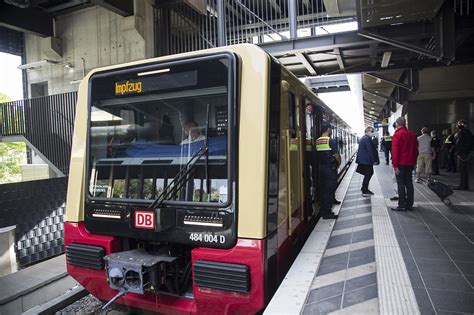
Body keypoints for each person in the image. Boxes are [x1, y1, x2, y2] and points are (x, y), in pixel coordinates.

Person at [391, 117, 418, 211]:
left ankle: (402, 205)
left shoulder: (397, 134)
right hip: (410, 163)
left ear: (397, 124)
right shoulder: (412, 134)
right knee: (409, 183)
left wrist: (395, 166)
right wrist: (414, 163)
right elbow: (415, 150)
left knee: (400, 184)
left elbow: (395, 152)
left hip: (400, 164)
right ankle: (410, 204)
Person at [316, 123, 341, 219]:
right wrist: (337, 165)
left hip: (321, 168)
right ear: (328, 129)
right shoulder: (330, 141)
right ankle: (327, 212)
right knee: (330, 190)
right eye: (330, 129)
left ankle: (323, 209)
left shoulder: (318, 141)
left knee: (323, 190)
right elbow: (337, 156)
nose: (331, 130)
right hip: (329, 169)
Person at [356, 126, 380, 197]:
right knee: (368, 174)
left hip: (365, 160)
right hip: (366, 160)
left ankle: (364, 188)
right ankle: (364, 190)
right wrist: (373, 161)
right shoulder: (366, 139)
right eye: (371, 131)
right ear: (367, 132)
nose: (372, 133)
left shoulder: (364, 138)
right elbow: (370, 151)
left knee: (368, 174)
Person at [454, 119, 472, 190]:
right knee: (464, 170)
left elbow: (462, 144)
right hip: (464, 152)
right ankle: (465, 186)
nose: (457, 125)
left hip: (463, 153)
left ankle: (462, 186)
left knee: (462, 170)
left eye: (459, 124)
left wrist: (460, 152)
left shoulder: (463, 132)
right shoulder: (465, 132)